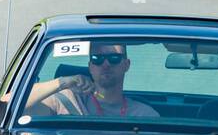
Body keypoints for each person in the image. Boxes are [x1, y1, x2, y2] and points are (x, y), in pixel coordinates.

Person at [25, 42, 159, 118]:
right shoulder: (65, 100)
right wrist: (62, 83)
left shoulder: (144, 114)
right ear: (90, 66)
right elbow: (9, 105)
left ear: (126, 65)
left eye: (114, 58)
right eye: (97, 59)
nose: (106, 64)